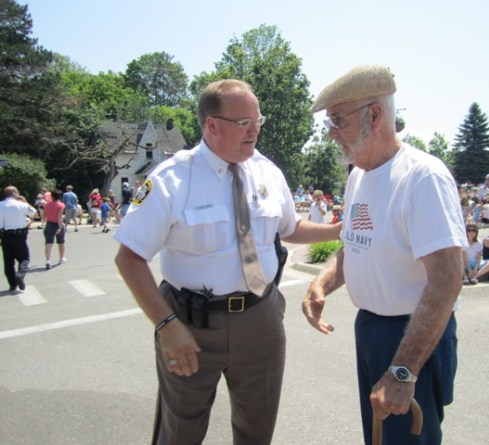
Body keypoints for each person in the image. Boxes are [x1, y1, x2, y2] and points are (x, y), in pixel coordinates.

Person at [114, 79, 341, 445]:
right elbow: (129, 257)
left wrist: (337, 230)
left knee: (257, 430)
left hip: (260, 319)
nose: (255, 130)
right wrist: (167, 325)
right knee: (180, 432)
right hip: (190, 324)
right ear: (212, 125)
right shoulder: (173, 178)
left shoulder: (267, 171)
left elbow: (290, 228)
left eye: (258, 120)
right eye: (244, 122)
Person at [301, 64, 466, 445]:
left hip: (412, 337)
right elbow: (357, 245)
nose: (330, 133)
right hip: (372, 329)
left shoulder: (423, 177)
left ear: (374, 116)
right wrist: (321, 283)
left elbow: (447, 279)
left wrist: (403, 370)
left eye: (337, 120)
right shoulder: (359, 175)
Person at [0, 186, 37, 291]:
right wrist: (25, 202)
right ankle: (20, 275)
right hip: (19, 236)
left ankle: (12, 284)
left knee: (8, 261)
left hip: (5, 236)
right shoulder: (21, 205)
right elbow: (34, 213)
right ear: (14, 194)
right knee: (24, 258)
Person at [43, 189, 66, 269]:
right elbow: (59, 217)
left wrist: (44, 222)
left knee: (48, 243)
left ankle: (48, 260)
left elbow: (44, 215)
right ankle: (61, 258)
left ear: (51, 196)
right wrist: (60, 227)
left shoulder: (47, 204)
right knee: (61, 242)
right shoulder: (61, 205)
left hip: (49, 223)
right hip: (57, 224)